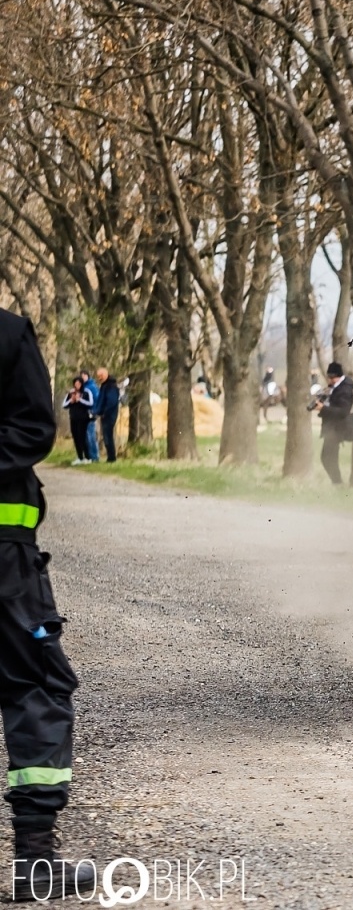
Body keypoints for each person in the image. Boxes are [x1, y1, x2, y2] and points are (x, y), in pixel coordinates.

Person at [1, 307, 96, 900]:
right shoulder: (8, 333)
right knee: (36, 685)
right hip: (5, 563)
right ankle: (35, 862)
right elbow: (34, 427)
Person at [315, 362, 353, 485]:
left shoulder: (345, 389)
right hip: (332, 428)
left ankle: (337, 483)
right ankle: (337, 482)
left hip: (338, 429)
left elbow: (343, 411)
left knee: (328, 458)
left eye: (332, 377)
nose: (330, 380)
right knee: (327, 458)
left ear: (338, 376)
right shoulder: (335, 386)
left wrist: (323, 409)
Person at [61, 378, 93, 465]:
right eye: (75, 383)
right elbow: (64, 405)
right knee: (76, 437)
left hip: (83, 418)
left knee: (82, 437)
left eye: (79, 383)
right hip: (73, 418)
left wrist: (80, 400)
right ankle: (80, 457)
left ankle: (88, 457)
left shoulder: (87, 392)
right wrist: (71, 401)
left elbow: (90, 404)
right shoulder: (71, 392)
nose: (77, 385)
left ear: (82, 384)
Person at [94, 367, 119, 464]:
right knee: (106, 436)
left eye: (101, 376)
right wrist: (97, 411)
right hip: (105, 414)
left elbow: (111, 402)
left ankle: (112, 457)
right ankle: (110, 457)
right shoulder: (104, 386)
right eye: (98, 376)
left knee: (108, 436)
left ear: (106, 374)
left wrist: (104, 412)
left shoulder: (111, 386)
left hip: (109, 415)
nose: (99, 378)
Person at [78, 371, 98, 463]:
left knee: (90, 435)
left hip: (90, 413)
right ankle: (88, 456)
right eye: (81, 376)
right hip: (82, 414)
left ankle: (94, 457)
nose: (82, 378)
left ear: (87, 376)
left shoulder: (92, 387)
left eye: (84, 376)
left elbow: (96, 400)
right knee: (85, 436)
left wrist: (94, 411)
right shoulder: (82, 387)